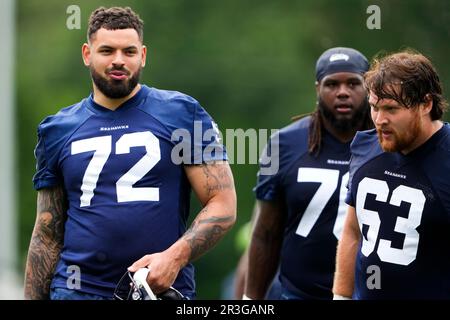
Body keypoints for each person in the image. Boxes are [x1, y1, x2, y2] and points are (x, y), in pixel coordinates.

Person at [24, 6, 236, 300]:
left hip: (158, 289)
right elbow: (47, 234)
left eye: (129, 51)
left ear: (143, 55)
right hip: (76, 291)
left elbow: (223, 203)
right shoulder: (57, 129)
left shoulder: (181, 113)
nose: (119, 61)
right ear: (87, 54)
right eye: (107, 51)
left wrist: (174, 258)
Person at [243, 47, 373, 300]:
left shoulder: (388, 144)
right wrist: (250, 300)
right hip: (300, 293)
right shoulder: (283, 144)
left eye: (353, 83)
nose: (343, 92)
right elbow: (266, 232)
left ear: (368, 87)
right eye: (332, 84)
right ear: (317, 89)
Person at [333, 50, 450, 300]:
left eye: (391, 109)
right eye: (374, 107)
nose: (379, 120)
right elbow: (352, 232)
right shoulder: (364, 147)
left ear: (426, 104)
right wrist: (340, 297)